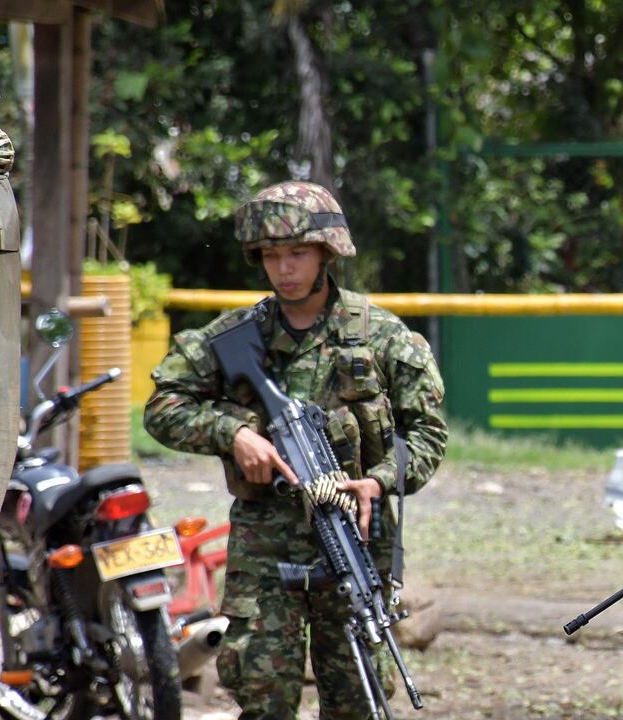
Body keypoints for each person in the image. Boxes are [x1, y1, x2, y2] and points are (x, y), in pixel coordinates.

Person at [144, 181, 447, 719]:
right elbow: (164, 405)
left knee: (360, 699)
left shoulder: (381, 337)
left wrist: (376, 480)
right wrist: (233, 434)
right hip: (265, 549)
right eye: (272, 256)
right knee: (263, 699)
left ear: (327, 253)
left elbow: (426, 433)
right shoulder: (237, 335)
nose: (284, 268)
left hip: (356, 542)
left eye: (298, 253)